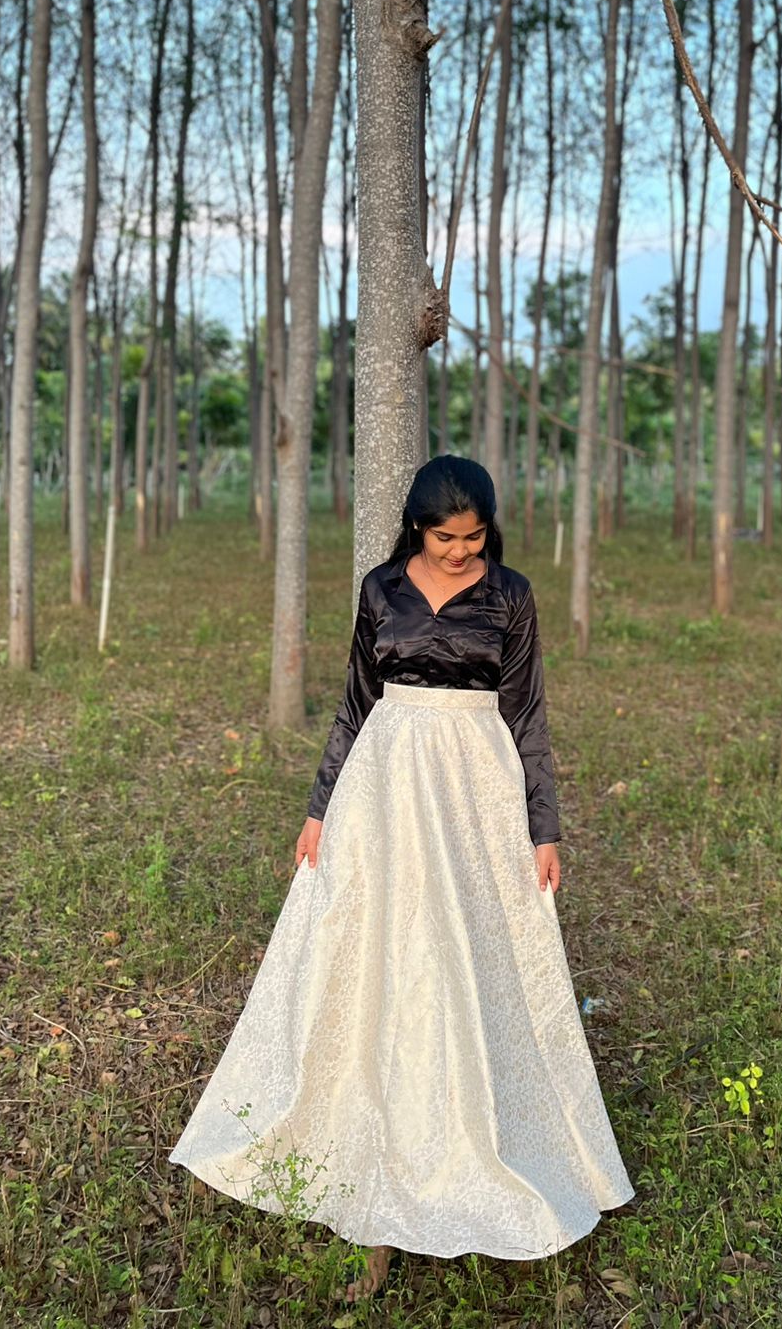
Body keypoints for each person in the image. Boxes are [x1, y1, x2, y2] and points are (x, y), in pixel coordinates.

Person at [168, 456, 634, 1301]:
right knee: (372, 948)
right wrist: (319, 809)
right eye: (445, 537)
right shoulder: (381, 589)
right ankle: (343, 1139)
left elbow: (527, 712)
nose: (460, 552)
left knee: (466, 954)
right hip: (384, 784)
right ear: (417, 528)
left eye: (474, 537)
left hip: (475, 788)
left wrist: (544, 826)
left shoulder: (512, 596)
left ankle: (468, 1139)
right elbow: (355, 702)